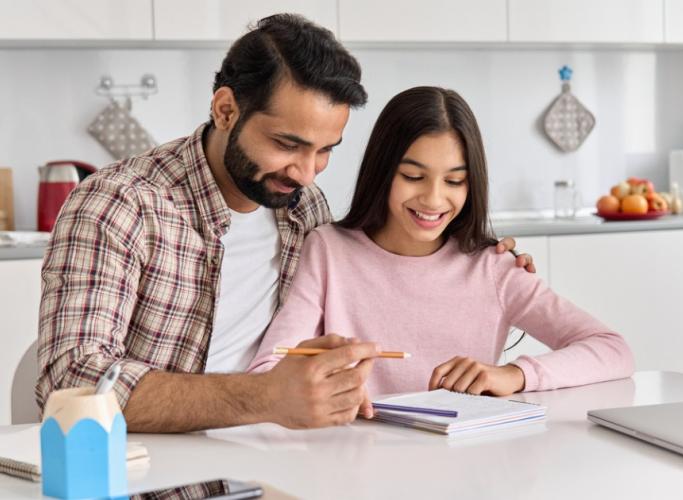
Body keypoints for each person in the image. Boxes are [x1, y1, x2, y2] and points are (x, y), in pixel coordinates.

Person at [35, 15, 533, 433]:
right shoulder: (119, 206)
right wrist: (263, 397)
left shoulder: (302, 207)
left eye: (325, 151)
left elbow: (373, 275)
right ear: (226, 109)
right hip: (155, 475)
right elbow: (74, 385)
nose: (305, 171)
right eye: (288, 144)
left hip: (281, 459)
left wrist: (474, 256)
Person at [249, 86, 634, 398]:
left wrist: (514, 375)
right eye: (414, 177)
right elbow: (269, 369)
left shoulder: (494, 267)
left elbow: (612, 350)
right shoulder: (329, 250)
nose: (433, 199)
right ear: (383, 173)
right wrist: (322, 386)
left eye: (454, 181)